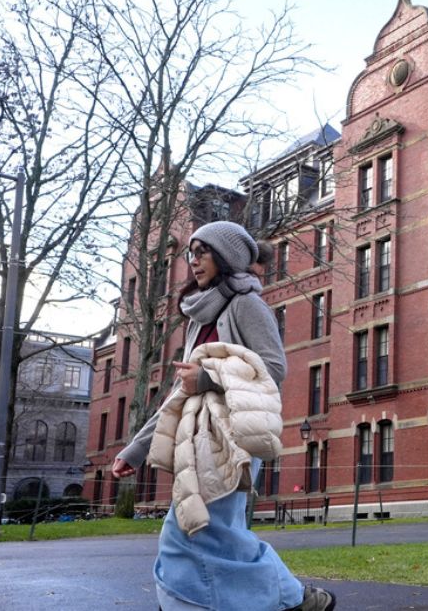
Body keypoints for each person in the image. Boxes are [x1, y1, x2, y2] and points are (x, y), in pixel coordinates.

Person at [113, 221, 335, 611]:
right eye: (190, 253)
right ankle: (293, 599)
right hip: (199, 438)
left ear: (226, 256)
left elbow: (274, 367)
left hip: (236, 436)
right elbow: (182, 390)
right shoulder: (199, 317)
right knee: (212, 530)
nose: (193, 261)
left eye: (202, 252)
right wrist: (135, 449)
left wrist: (210, 377)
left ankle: (192, 603)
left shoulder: (246, 304)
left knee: (192, 527)